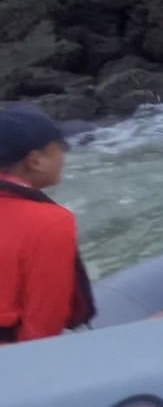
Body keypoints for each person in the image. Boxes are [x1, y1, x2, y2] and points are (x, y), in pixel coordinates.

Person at [0, 103, 95, 345]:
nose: (63, 156)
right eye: (59, 148)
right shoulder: (50, 223)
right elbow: (43, 329)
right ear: (36, 161)